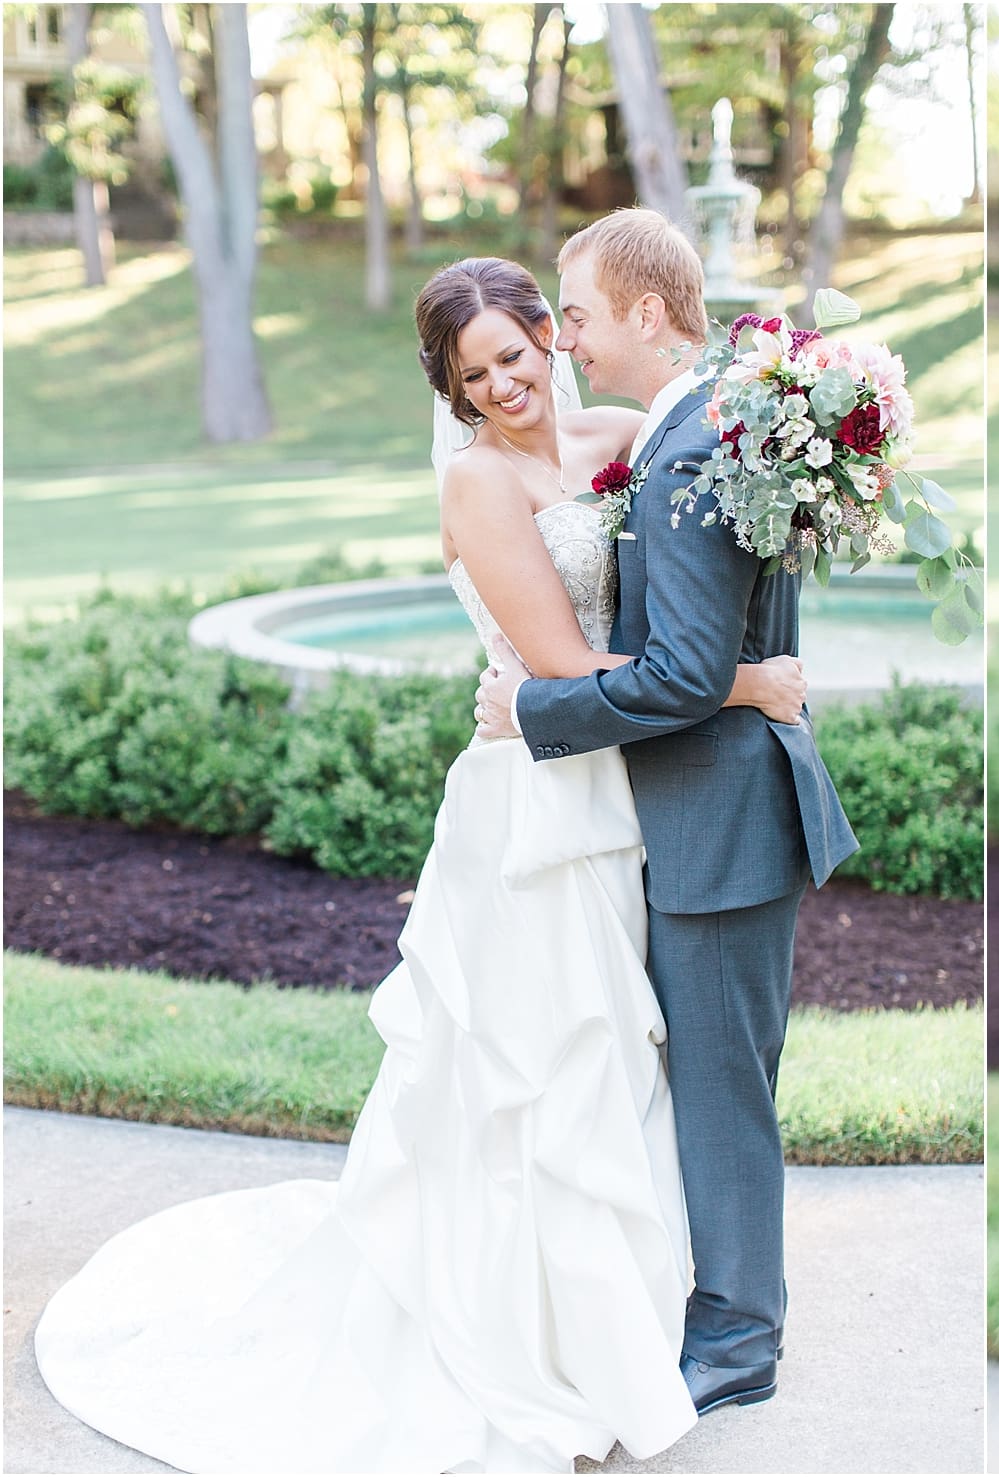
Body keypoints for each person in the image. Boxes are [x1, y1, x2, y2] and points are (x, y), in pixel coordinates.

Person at [30, 254, 806, 1472]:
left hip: (631, 796)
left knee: (619, 1063)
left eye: (517, 352)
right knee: (542, 1065)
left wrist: (807, 427)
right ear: (448, 390)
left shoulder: (620, 434)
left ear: (554, 335)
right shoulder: (479, 488)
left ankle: (634, 1310)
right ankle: (529, 1328)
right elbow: (551, 669)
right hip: (538, 803)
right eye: (474, 373)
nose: (504, 385)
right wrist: (746, 680)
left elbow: (694, 450)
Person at [471, 207, 859, 1417]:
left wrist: (528, 711)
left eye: (575, 317)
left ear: (647, 313)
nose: (564, 341)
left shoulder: (697, 444)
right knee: (704, 1079)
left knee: (723, 1089)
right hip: (712, 807)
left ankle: (739, 1337)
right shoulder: (715, 418)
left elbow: (688, 671)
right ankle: (707, 1304)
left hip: (717, 820)